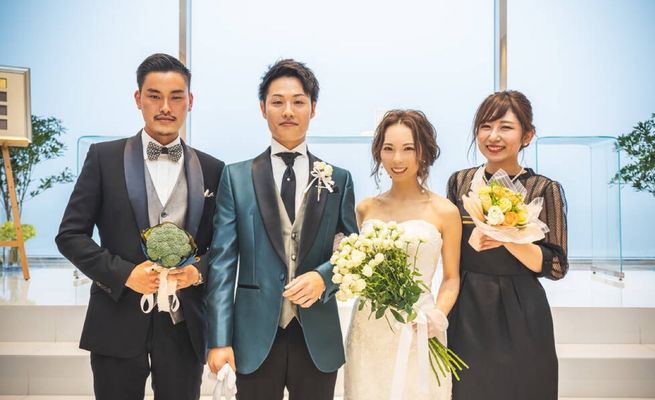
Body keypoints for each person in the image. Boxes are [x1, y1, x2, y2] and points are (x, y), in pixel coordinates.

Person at [55, 53, 224, 400]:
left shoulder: (213, 168)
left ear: (190, 101)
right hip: (116, 319)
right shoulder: (103, 157)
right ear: (138, 99)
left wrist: (198, 272)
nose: (166, 107)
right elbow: (70, 235)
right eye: (154, 96)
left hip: (184, 327)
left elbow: (223, 245)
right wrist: (125, 274)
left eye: (176, 96)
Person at [206, 58, 358, 400]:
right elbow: (222, 264)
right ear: (263, 108)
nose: (288, 111)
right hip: (254, 337)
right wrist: (219, 339)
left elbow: (352, 250)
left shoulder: (339, 179)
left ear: (313, 108)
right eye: (277, 102)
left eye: (298, 101)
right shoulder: (236, 177)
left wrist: (324, 277)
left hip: (317, 336)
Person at [447, 90, 568, 400]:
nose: (493, 136)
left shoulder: (543, 188)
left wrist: (506, 237)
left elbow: (556, 266)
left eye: (506, 127)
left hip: (522, 307)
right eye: (485, 126)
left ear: (527, 135)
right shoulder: (460, 182)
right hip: (467, 307)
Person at [345, 109, 461, 399]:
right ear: (379, 152)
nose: (397, 159)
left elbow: (451, 278)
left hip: (421, 325)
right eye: (389, 149)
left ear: (424, 151)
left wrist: (437, 315)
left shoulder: (445, 211)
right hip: (368, 326)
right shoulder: (365, 208)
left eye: (408, 148)